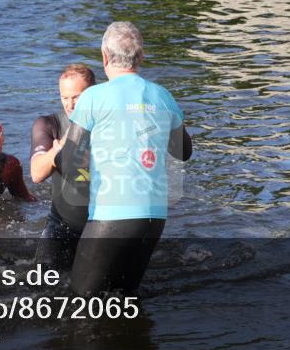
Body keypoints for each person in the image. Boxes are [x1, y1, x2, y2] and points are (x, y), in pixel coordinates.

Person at [58, 22, 192, 296]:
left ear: (104, 56)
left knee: (79, 304)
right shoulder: (162, 95)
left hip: (112, 217)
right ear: (140, 57)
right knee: (124, 297)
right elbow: (183, 151)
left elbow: (69, 160)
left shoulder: (94, 96)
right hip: (154, 219)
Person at [31, 63, 96, 271]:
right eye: (64, 98)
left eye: (77, 97)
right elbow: (36, 173)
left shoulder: (108, 125)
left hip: (100, 226)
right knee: (43, 288)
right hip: (61, 225)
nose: (70, 105)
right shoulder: (49, 124)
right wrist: (57, 153)